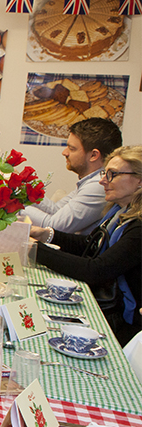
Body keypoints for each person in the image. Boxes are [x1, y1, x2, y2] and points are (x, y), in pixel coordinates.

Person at [31, 145, 141, 346]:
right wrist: (46, 235)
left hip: (124, 324)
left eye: (112, 174)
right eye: (104, 173)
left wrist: (34, 250)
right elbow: (91, 245)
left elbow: (97, 270)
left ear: (140, 180)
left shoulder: (139, 227)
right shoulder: (118, 212)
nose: (103, 181)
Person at [24, 118, 122, 234]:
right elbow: (56, 210)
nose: (64, 152)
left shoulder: (99, 185)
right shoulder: (90, 180)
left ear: (93, 155)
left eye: (72, 148)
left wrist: (14, 206)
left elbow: (54, 227)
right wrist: (22, 189)